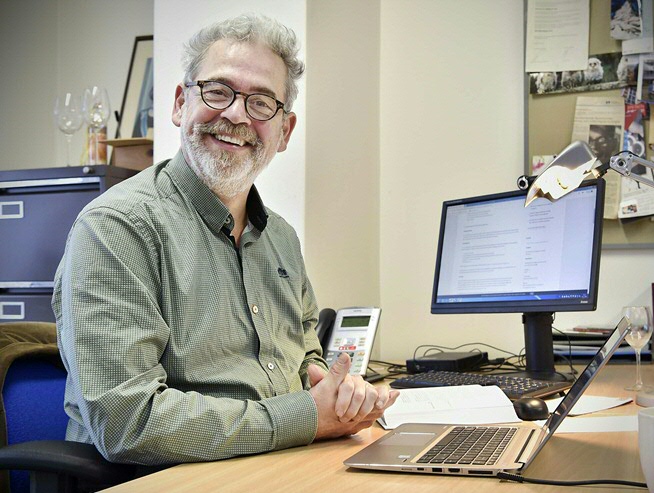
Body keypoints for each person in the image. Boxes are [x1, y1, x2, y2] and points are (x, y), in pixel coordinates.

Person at [53, 13, 398, 466]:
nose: (236, 114)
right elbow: (127, 421)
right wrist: (307, 417)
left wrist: (335, 390)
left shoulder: (281, 238)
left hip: (276, 462)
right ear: (180, 104)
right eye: (218, 91)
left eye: (261, 103)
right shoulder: (116, 228)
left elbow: (302, 357)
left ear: (284, 131)